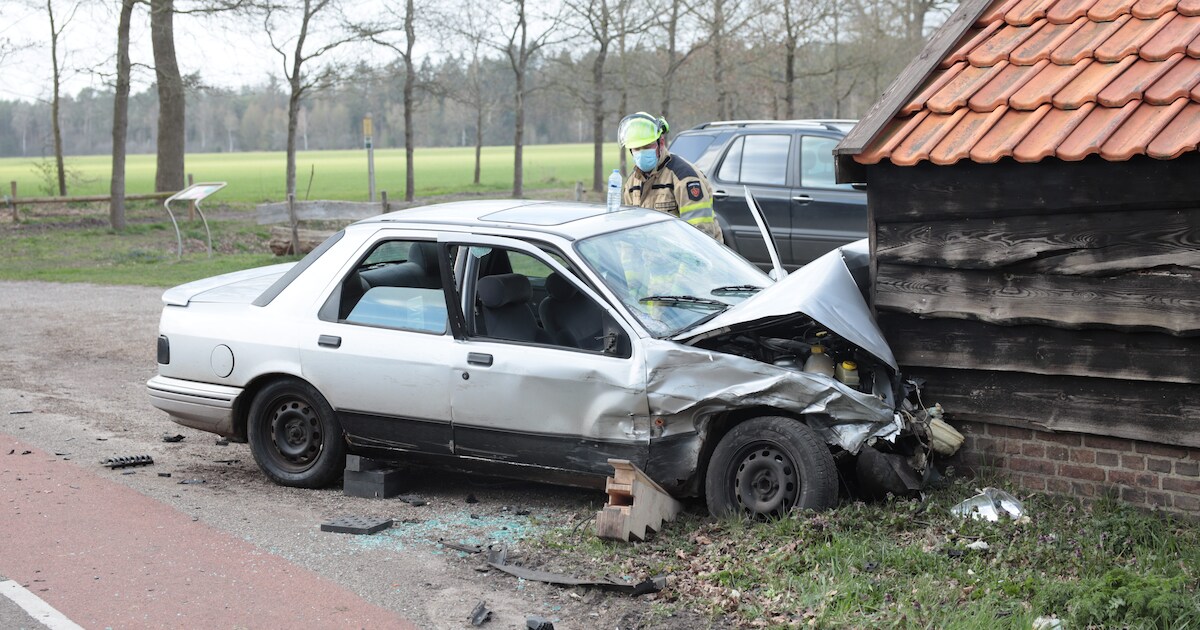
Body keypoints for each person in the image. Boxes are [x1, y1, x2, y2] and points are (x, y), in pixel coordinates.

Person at [616, 112, 723, 242]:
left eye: (647, 146)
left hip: (683, 257)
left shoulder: (684, 177)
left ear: (660, 143)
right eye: (636, 149)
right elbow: (630, 234)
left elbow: (700, 234)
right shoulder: (632, 184)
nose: (641, 152)